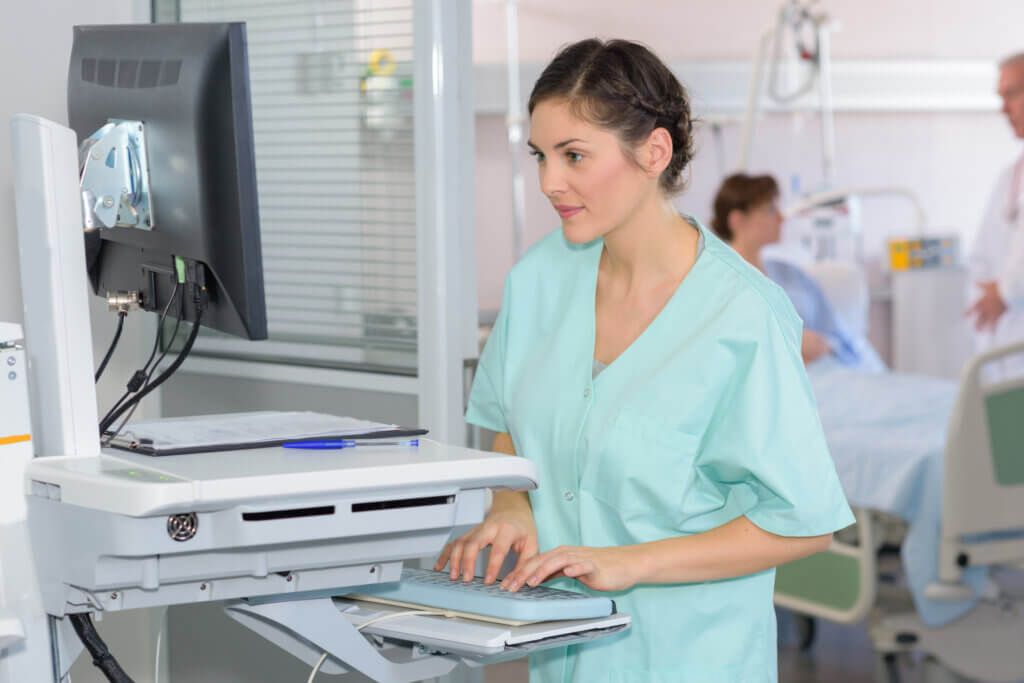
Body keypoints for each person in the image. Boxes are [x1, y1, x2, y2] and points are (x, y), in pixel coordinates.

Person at [436, 39, 853, 682]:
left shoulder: (741, 316)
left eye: (574, 155)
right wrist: (511, 506)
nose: (549, 182)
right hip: (561, 660)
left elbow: (803, 525)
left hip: (691, 660)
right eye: (541, 156)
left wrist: (633, 563)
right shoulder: (538, 280)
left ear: (654, 152)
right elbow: (511, 427)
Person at [710, 173, 885, 372]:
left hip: (828, 371)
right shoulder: (716, 284)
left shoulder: (791, 275)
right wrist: (789, 343)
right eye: (770, 210)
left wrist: (823, 344)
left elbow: (840, 338)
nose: (781, 217)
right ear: (738, 221)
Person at [967, 53, 1024, 368]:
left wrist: (1004, 292)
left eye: (1012, 94)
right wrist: (990, 291)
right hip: (1006, 343)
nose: (1004, 109)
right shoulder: (1010, 177)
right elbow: (981, 256)